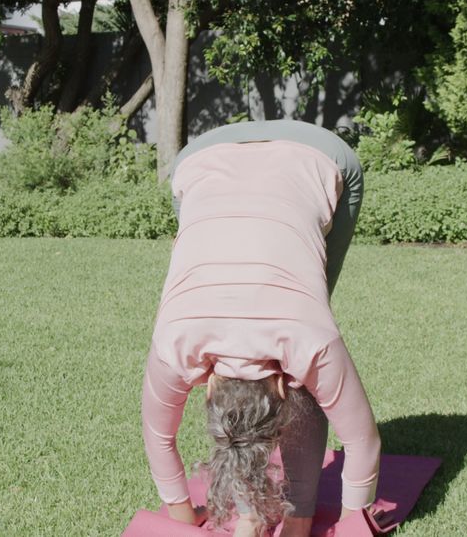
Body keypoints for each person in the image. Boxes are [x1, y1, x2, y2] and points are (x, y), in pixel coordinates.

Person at [141, 120, 381, 537]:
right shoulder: (173, 343)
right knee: (303, 326)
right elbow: (363, 444)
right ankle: (255, 513)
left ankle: (298, 517)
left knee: (312, 301)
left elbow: (364, 444)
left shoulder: (308, 340)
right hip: (198, 159)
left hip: (320, 153)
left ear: (209, 388)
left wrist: (182, 519)